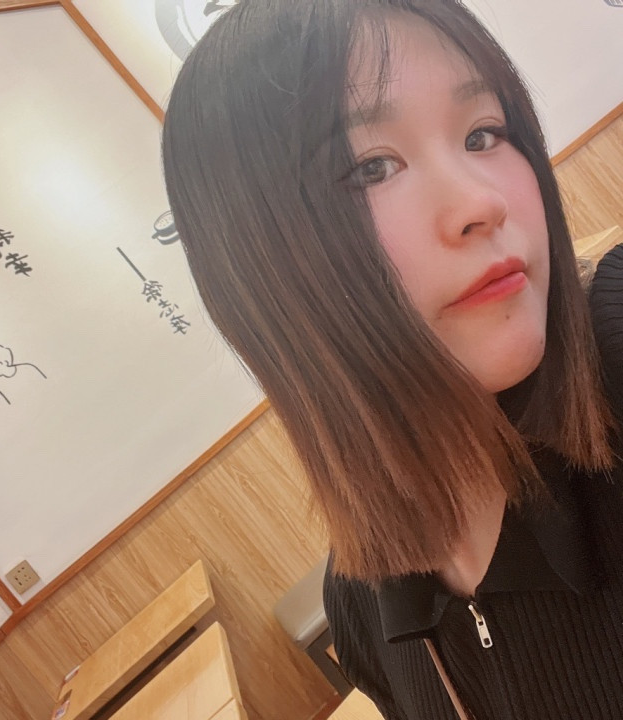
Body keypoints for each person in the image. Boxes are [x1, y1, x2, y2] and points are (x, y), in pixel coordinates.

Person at [161, 1, 623, 717]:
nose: (481, 202)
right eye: (371, 167)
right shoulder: (362, 615)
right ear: (255, 268)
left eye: (483, 133)